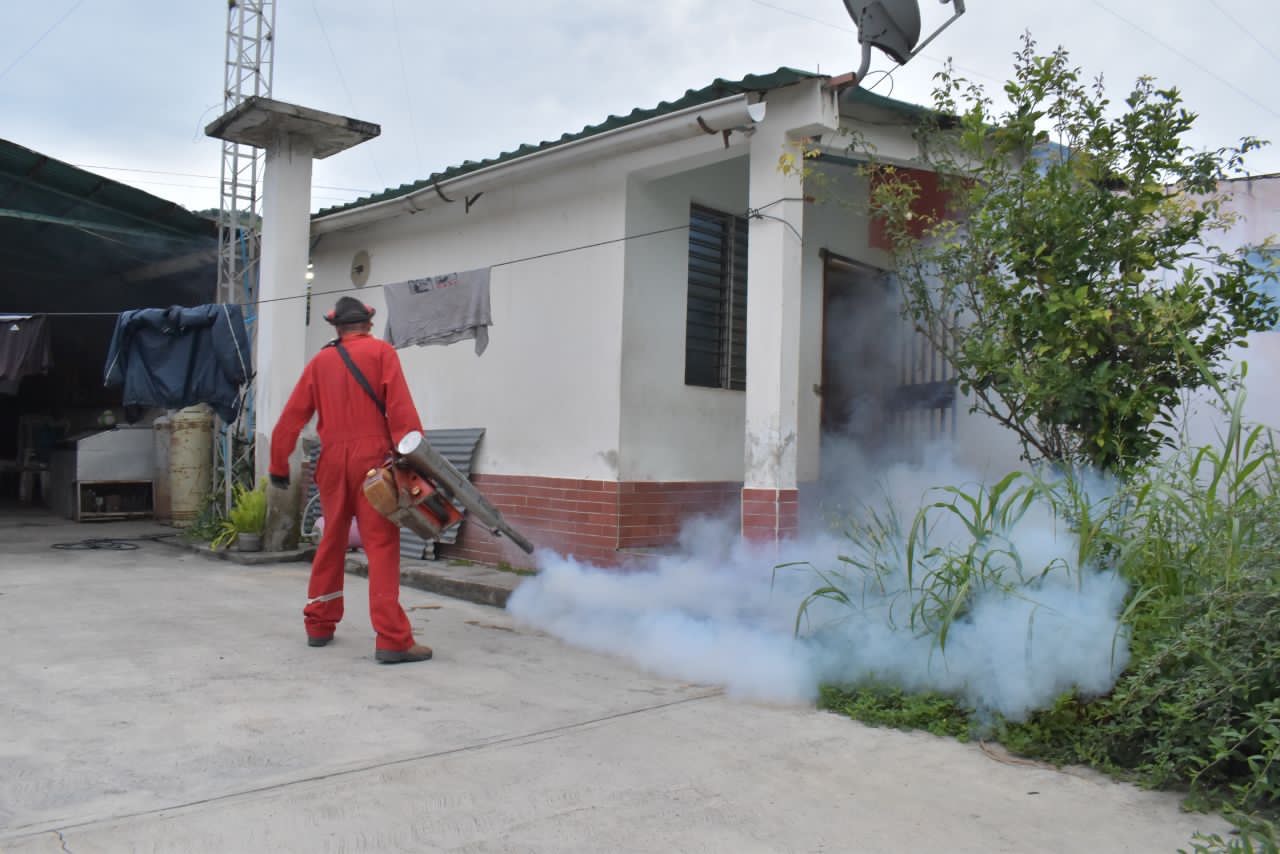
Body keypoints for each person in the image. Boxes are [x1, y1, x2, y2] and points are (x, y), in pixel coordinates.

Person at [269, 296, 434, 663]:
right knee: (381, 546)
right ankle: (392, 640)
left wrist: (278, 465)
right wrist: (416, 462)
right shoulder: (382, 354)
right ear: (369, 324)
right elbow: (402, 412)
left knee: (331, 540)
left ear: (336, 327)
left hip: (330, 462)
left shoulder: (320, 362)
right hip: (373, 462)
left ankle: (319, 625)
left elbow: (292, 416)